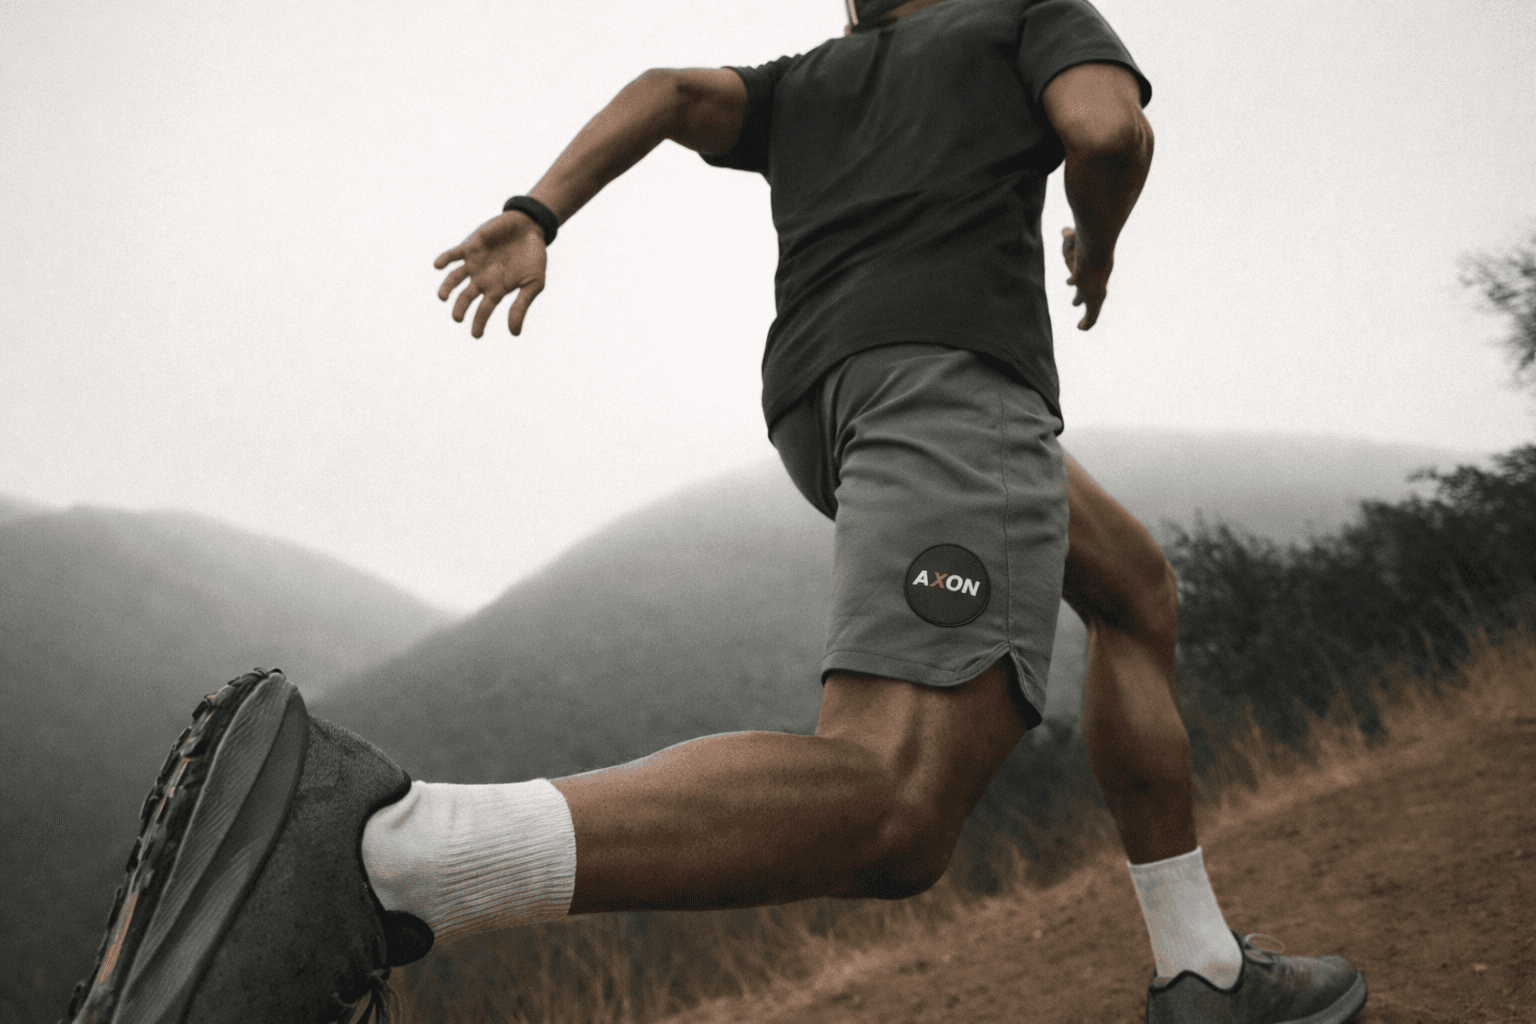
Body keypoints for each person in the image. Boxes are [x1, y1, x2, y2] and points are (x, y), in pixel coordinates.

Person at [63, 2, 1367, 1023]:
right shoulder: (1026, 14)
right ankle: (390, 854)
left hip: (830, 405)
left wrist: (536, 214)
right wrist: (1100, 237)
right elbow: (1105, 129)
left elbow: (670, 91)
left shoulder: (811, 79)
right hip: (950, 390)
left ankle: (1201, 970)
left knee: (1133, 588)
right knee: (897, 800)